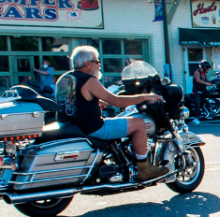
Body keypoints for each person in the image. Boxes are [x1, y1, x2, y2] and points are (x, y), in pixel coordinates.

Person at [55, 46, 167, 181]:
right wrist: (145, 97)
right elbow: (116, 101)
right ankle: (144, 168)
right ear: (87, 64)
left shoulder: (64, 79)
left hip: (68, 125)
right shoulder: (89, 80)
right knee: (139, 123)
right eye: (97, 61)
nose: (99, 64)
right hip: (92, 127)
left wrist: (97, 102)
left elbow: (72, 101)